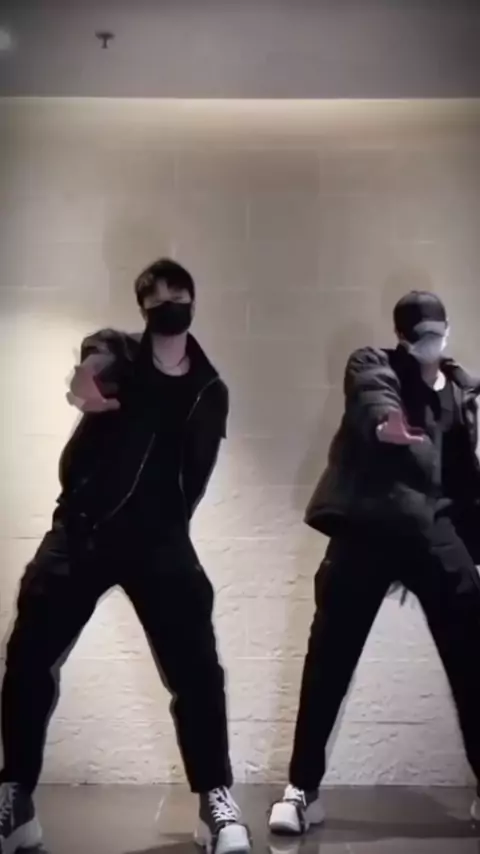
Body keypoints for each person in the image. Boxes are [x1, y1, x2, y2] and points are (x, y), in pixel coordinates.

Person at [0, 259, 251, 854]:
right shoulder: (120, 355)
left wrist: (170, 527)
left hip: (160, 540)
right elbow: (96, 357)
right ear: (142, 308)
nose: (169, 304)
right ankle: (15, 797)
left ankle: (215, 800)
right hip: (83, 531)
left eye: (177, 293)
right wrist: (87, 378)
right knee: (29, 657)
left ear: (193, 299)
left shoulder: (209, 389)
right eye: (156, 297)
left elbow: (196, 474)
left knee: (197, 670)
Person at [269, 290, 480, 838]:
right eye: (420, 334)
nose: (431, 342)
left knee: (471, 658)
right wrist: (387, 421)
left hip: (435, 533)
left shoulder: (464, 390)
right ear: (402, 336)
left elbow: (466, 480)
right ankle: (301, 789)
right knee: (328, 660)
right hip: (368, 528)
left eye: (437, 332)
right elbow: (372, 392)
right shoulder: (374, 363)